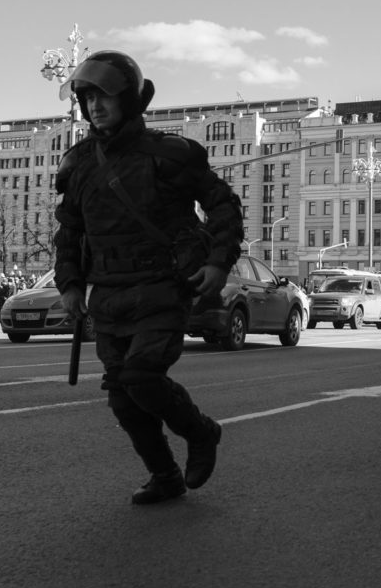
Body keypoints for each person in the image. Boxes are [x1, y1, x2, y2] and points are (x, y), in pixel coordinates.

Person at [54, 50, 242, 505]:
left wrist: (218, 263)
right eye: (88, 98)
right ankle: (165, 476)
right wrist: (70, 284)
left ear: (130, 99)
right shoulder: (79, 162)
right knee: (122, 397)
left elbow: (223, 205)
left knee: (141, 377)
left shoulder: (169, 153)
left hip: (161, 286)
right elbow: (70, 231)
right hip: (108, 292)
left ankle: (201, 432)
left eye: (104, 96)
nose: (95, 106)